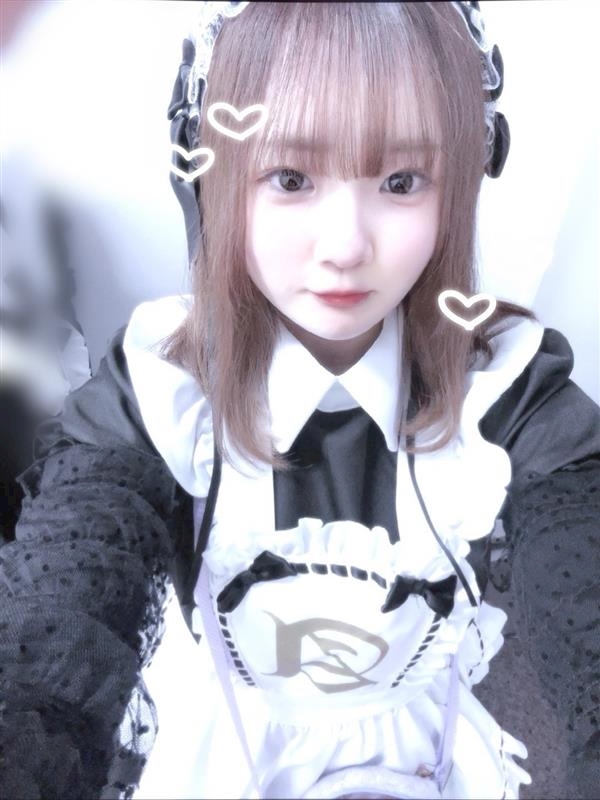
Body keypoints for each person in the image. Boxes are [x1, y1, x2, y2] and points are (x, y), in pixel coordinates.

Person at [1, 2, 598, 798]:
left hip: (423, 751)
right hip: (228, 751)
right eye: (291, 179)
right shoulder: (161, 394)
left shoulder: (508, 389)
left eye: (400, 181)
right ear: (209, 173)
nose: (345, 246)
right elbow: (56, 644)